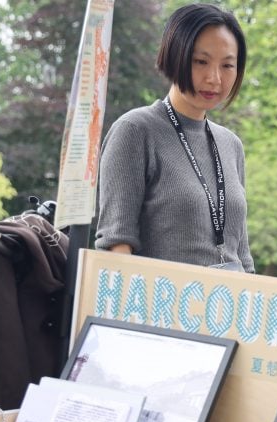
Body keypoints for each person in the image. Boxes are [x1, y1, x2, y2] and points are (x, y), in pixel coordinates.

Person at [95, 3, 254, 272]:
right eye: (200, 61)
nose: (214, 78)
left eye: (227, 65)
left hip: (229, 307)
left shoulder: (231, 145)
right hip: (160, 308)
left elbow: (242, 254)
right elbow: (116, 246)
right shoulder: (135, 130)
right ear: (174, 56)